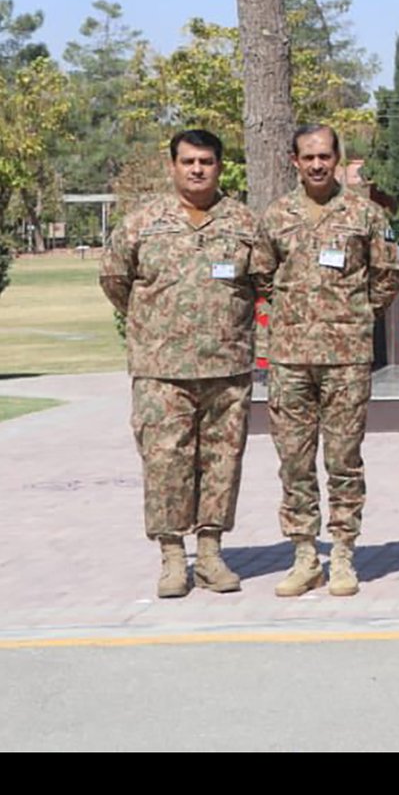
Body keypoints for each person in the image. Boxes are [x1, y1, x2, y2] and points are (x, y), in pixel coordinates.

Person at [100, 129, 271, 598]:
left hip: (227, 367)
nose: (197, 169)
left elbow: (263, 283)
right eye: (188, 161)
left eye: (207, 162)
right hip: (161, 370)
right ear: (172, 166)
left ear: (219, 167)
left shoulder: (243, 223)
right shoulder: (142, 224)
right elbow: (116, 281)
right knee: (165, 463)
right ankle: (173, 557)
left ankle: (212, 554)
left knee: (222, 462)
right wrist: (157, 327)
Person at [257, 125, 399, 598]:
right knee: (294, 462)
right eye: (308, 157)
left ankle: (342, 554)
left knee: (343, 460)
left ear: (338, 158)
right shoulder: (276, 216)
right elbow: (262, 276)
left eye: (325, 156)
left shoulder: (364, 213)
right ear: (293, 161)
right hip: (291, 358)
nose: (317, 164)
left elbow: (387, 275)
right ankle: (304, 554)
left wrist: (356, 314)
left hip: (345, 359)